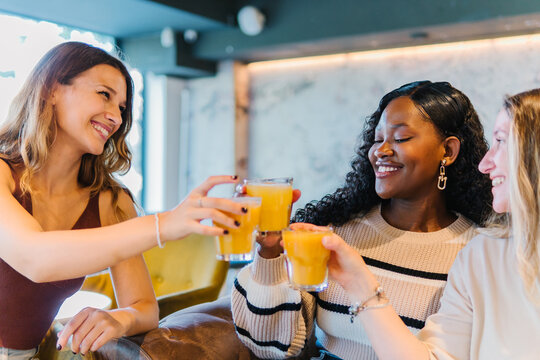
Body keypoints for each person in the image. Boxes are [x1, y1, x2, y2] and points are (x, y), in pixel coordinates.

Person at [0, 41, 243, 359]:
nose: (115, 116)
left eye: (122, 108)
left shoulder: (110, 202)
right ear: (51, 89)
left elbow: (144, 308)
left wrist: (119, 317)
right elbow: (35, 259)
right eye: (104, 94)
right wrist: (163, 224)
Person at [231, 81, 493, 359]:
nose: (381, 151)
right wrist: (270, 252)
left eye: (401, 138)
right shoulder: (337, 232)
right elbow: (273, 345)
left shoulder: (479, 252)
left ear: (448, 151)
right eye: (378, 139)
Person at [311, 88, 540, 359]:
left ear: (449, 150)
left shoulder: (471, 247)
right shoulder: (483, 255)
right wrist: (358, 281)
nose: (485, 164)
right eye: (378, 139)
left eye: (501, 141)